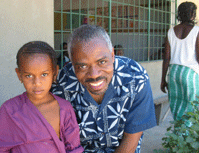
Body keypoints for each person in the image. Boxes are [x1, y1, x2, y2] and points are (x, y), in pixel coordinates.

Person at [51, 25, 157, 153]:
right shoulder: (61, 86)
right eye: (83, 66)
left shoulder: (135, 78)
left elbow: (131, 140)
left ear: (112, 55)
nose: (94, 74)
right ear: (72, 63)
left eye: (101, 62)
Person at [0, 41, 84, 153]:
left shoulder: (64, 108)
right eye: (28, 76)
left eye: (44, 74)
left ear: (54, 73)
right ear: (19, 75)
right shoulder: (9, 110)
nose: (37, 83)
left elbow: (74, 149)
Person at [161, 2, 199, 121]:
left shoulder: (171, 32)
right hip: (190, 74)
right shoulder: (197, 31)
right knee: (192, 108)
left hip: (174, 73)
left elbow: (166, 58)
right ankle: (188, 136)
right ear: (192, 14)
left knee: (177, 107)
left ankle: (179, 133)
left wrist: (163, 80)